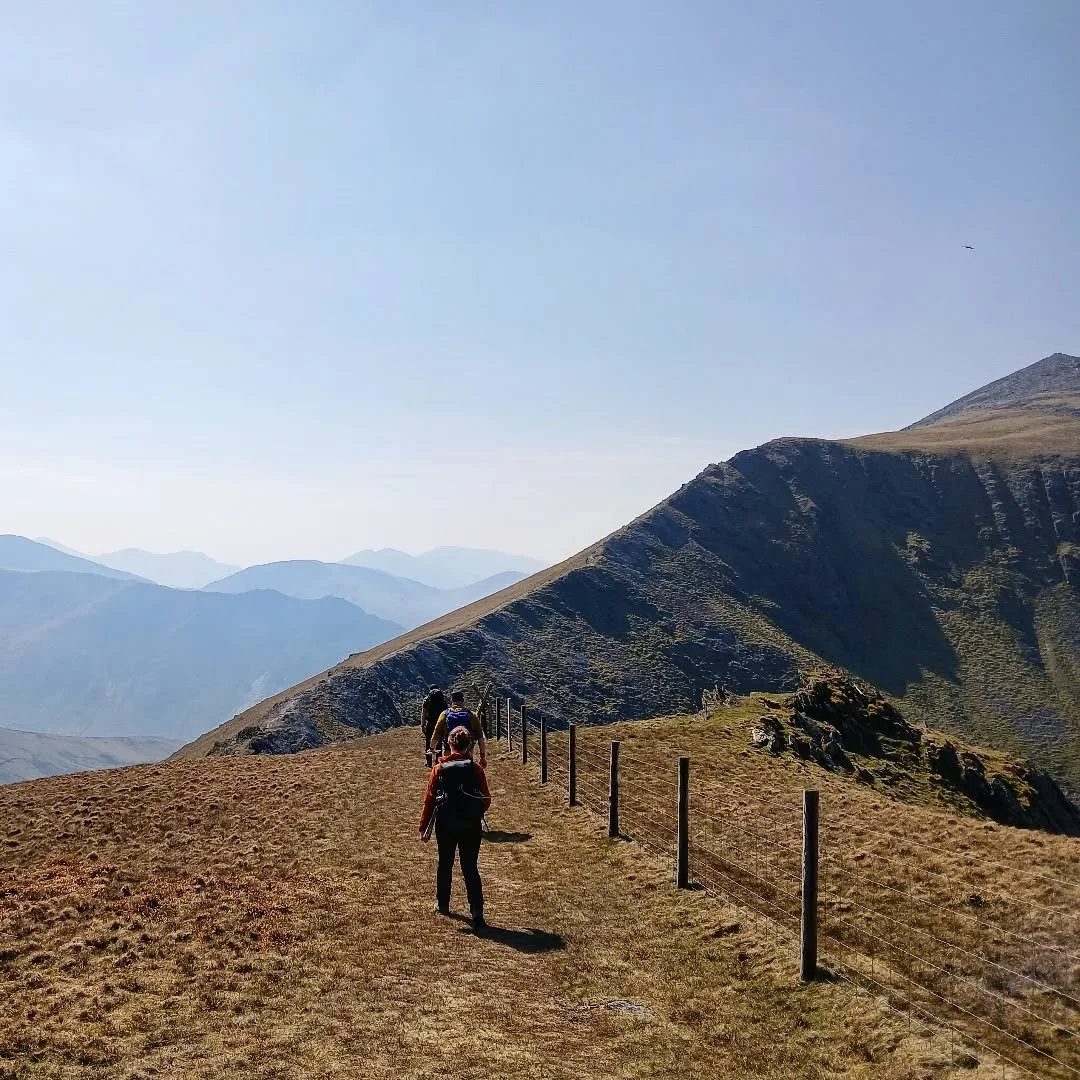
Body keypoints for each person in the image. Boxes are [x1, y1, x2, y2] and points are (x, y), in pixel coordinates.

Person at [418, 726, 491, 928]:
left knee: (445, 863)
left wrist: (424, 827)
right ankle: (477, 910)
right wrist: (475, 813)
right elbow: (486, 799)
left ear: (449, 744)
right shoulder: (476, 769)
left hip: (446, 823)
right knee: (470, 867)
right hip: (471, 825)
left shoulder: (439, 769)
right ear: (469, 745)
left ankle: (442, 904)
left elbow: (429, 800)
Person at [427, 690, 487, 768]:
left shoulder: (444, 714)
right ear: (463, 701)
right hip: (467, 753)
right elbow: (480, 738)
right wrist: (482, 756)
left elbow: (436, 735)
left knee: (448, 774)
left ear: (452, 701)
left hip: (449, 752)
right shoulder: (472, 715)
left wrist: (431, 748)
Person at [420, 685, 448, 767]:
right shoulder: (442, 699)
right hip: (440, 724)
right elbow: (446, 712)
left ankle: (428, 762)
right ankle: (437, 762)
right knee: (439, 743)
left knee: (428, 742)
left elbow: (423, 713)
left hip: (430, 724)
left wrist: (422, 725)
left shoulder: (427, 699)